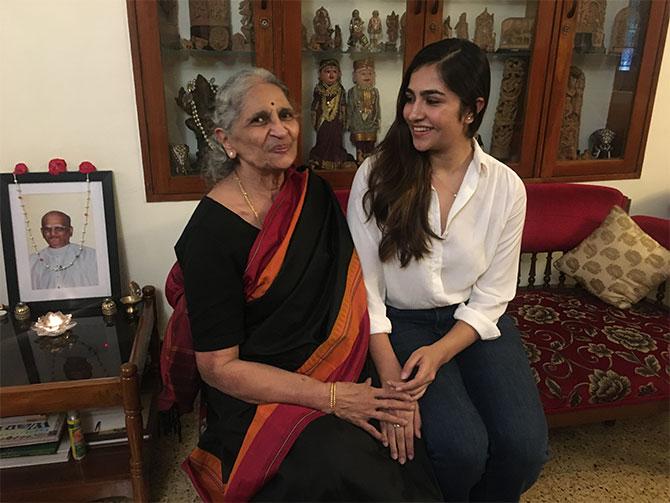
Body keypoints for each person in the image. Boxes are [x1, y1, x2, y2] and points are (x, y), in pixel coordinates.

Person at [172, 68, 442, 501]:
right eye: (259, 120)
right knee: (345, 466)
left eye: (286, 114)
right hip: (262, 389)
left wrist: (386, 385)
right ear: (226, 140)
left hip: (339, 359)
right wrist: (331, 397)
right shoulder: (209, 233)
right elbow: (218, 367)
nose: (280, 130)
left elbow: (351, 294)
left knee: (404, 440)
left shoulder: (310, 193)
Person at [346, 38, 548, 502]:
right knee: (461, 449)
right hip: (401, 323)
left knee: (526, 450)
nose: (414, 112)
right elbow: (367, 289)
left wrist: (439, 354)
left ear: (472, 109)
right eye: (410, 97)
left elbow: (495, 294)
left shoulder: (505, 187)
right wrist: (392, 378)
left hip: (474, 324)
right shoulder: (377, 175)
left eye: (433, 100)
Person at [30, 210, 98, 290]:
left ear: (70, 231)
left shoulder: (92, 257)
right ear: (42, 232)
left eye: (59, 229)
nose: (53, 234)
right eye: (47, 229)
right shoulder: (31, 261)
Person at [308, 59, 355, 171]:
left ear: (339, 74)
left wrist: (344, 117)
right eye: (327, 71)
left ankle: (336, 159)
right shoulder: (318, 89)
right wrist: (314, 114)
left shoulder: (340, 89)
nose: (331, 74)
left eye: (334, 71)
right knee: (323, 138)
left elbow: (343, 105)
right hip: (322, 119)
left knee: (336, 138)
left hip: (336, 119)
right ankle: (321, 159)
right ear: (320, 75)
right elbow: (315, 104)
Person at [347, 58, 381, 164]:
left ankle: (370, 158)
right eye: (363, 74)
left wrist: (377, 119)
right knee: (360, 140)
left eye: (370, 73)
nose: (367, 76)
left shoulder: (375, 92)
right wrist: (349, 121)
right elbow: (350, 107)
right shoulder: (352, 92)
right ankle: (360, 156)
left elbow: (376, 107)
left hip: (371, 122)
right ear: (355, 77)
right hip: (358, 121)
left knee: (370, 141)